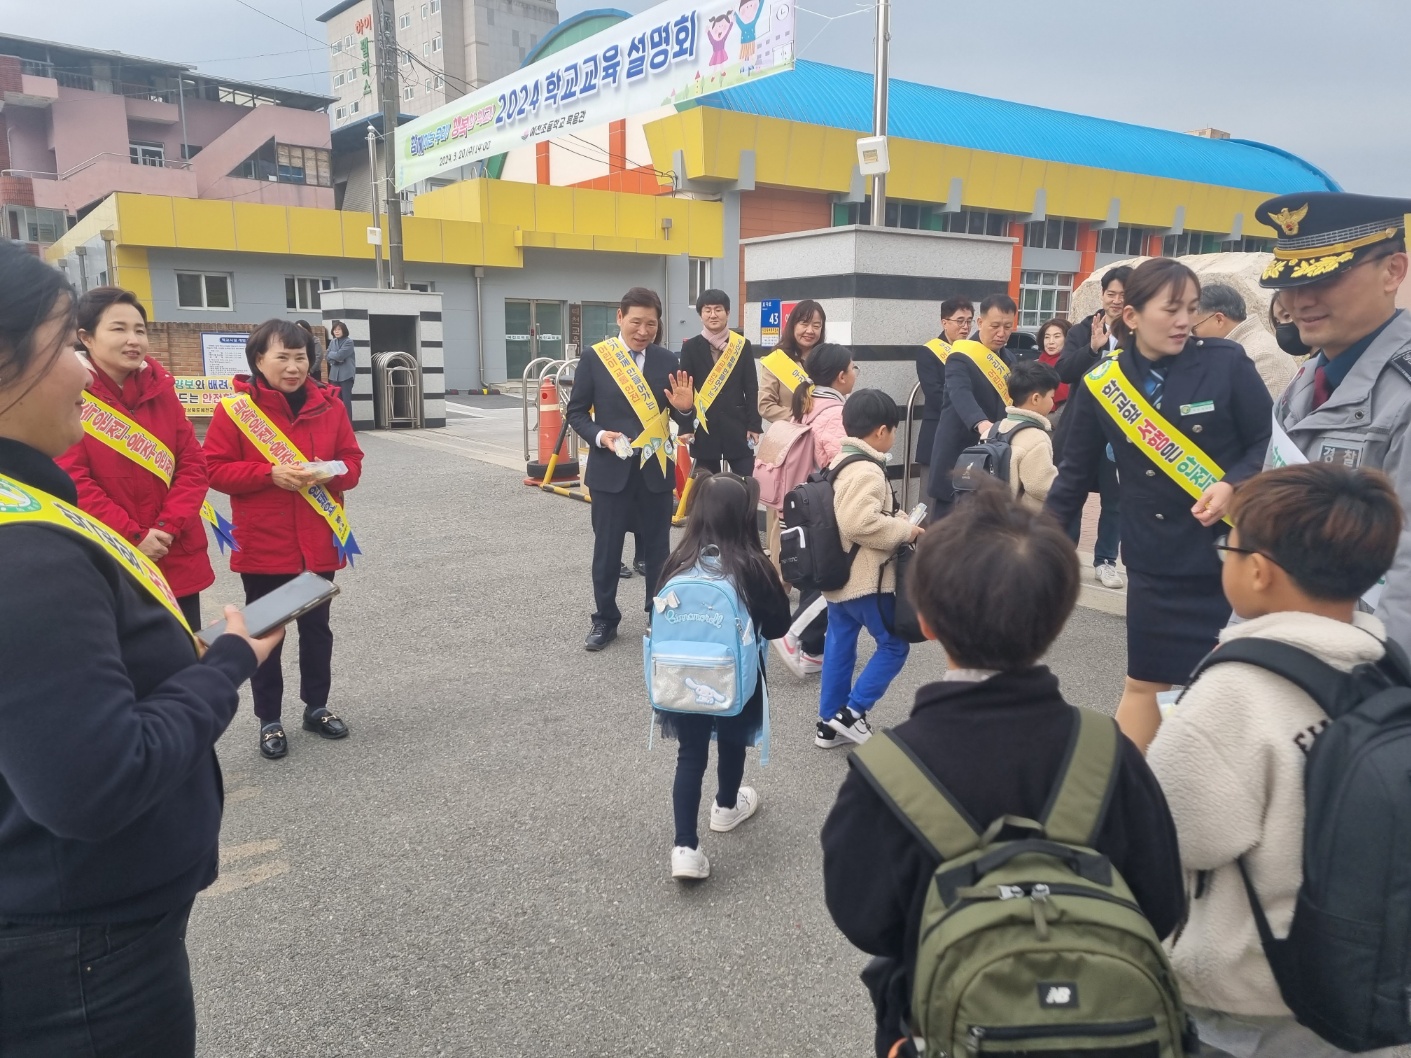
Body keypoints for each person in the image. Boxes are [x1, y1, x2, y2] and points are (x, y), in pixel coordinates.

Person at [0, 240, 281, 1056]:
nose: (86, 374)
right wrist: (226, 663)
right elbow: (95, 781)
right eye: (67, 345)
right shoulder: (27, 552)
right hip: (84, 952)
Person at [821, 483, 1185, 1058]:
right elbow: (1161, 903)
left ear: (928, 621)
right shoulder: (1110, 753)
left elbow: (860, 915)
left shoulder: (887, 770)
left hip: (942, 1021)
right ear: (1058, 621)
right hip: (1108, 1027)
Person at [1147, 463, 1400, 1058]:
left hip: (1249, 1002)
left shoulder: (1237, 690)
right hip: (1364, 985)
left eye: (1229, 548)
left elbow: (1174, 833)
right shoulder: (1386, 669)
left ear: (1258, 571)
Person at [1046, 258, 1273, 751]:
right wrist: (1039, 550)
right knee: (1144, 681)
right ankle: (1127, 785)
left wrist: (1234, 484)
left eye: (1191, 308)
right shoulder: (1103, 383)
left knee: (1221, 685)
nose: (1183, 321)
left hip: (1227, 557)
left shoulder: (1225, 362)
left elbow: (1266, 441)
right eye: (1171, 310)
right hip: (1153, 559)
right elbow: (1073, 478)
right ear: (1131, 316)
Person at [203, 319, 365, 760]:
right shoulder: (235, 411)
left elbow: (352, 462)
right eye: (283, 357)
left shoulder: (329, 406)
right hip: (264, 544)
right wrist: (268, 473)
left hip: (319, 540)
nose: (294, 367)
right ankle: (269, 719)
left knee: (317, 631)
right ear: (259, 360)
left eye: (301, 358)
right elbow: (214, 469)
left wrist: (329, 472)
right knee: (265, 634)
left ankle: (317, 706)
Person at [1258, 192, 1411, 652]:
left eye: (1324, 277)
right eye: (1289, 282)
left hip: (1364, 661)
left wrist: (1383, 679)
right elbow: (1265, 533)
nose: (1299, 300)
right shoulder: (1304, 382)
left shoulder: (1402, 394)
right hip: (1295, 646)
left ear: (1393, 271)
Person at [655, 473, 791, 881]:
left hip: (681, 677)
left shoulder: (677, 562)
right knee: (732, 740)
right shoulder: (752, 566)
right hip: (734, 676)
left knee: (690, 755)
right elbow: (780, 626)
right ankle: (726, 807)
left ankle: (684, 848)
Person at [56, 286, 215, 631]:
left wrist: (166, 528)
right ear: (86, 337)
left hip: (174, 551)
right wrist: (133, 536)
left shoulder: (162, 390)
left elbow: (193, 466)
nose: (133, 340)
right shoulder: (67, 394)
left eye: (140, 330)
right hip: (109, 554)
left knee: (186, 652)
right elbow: (72, 481)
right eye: (119, 329)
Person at [566, 287, 695, 652]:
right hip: (611, 471)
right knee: (607, 551)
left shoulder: (668, 360)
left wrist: (686, 409)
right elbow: (576, 412)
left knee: (658, 552)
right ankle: (605, 619)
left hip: (655, 470)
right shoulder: (596, 358)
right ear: (620, 317)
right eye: (636, 322)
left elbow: (685, 422)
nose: (643, 331)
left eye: (651, 324)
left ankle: (659, 615)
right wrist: (599, 435)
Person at [815, 389, 923, 749]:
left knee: (839, 646)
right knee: (894, 645)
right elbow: (858, 523)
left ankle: (828, 725)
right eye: (894, 430)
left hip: (838, 578)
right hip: (866, 580)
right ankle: (851, 714)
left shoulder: (840, 462)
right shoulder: (867, 470)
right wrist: (905, 531)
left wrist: (895, 518)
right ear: (881, 431)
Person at [772, 343, 859, 677]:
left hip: (801, 502)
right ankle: (794, 633)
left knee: (815, 573)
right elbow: (840, 462)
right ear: (840, 376)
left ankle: (813, 651)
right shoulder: (834, 411)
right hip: (823, 506)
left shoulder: (808, 402)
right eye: (853, 368)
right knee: (834, 575)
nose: (855, 373)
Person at [1056, 266, 1131, 588]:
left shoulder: (1139, 332)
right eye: (1111, 293)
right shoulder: (1083, 329)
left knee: (1115, 500)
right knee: (1072, 492)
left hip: (1120, 430)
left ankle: (1106, 561)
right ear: (1102, 295)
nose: (1116, 300)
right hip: (1081, 428)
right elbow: (1064, 372)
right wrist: (1092, 349)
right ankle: (1065, 558)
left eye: (1123, 295)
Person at [925, 293, 1017, 520]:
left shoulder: (1010, 360)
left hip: (993, 455)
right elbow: (960, 394)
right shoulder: (961, 355)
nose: (1001, 333)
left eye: (1007, 327)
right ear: (980, 322)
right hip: (959, 451)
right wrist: (981, 423)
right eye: (995, 326)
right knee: (946, 527)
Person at [679, 287, 760, 477]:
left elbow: (751, 387)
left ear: (728, 313)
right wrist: (686, 426)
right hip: (703, 428)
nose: (713, 315)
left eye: (718, 309)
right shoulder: (690, 347)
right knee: (706, 485)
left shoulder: (742, 345)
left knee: (746, 482)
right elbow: (684, 389)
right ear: (700, 315)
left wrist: (754, 425)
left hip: (737, 426)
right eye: (707, 310)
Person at [1191, 282, 1297, 396]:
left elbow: (1264, 407)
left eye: (1194, 329)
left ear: (1219, 320)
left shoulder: (1259, 355)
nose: (1193, 337)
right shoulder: (1242, 350)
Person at [913, 297, 974, 469]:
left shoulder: (973, 351)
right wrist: (968, 411)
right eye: (960, 321)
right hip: (939, 430)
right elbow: (934, 394)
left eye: (969, 321)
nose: (965, 327)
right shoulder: (929, 352)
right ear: (944, 322)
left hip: (968, 434)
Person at [995, 360, 1061, 511]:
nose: (1052, 402)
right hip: (1022, 520)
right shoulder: (1037, 438)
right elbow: (1043, 487)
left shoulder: (994, 429)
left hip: (992, 514)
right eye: (1051, 397)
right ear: (1036, 398)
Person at [1035, 316, 1071, 420]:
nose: (1051, 341)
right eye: (1047, 337)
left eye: (1057, 336)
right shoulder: (1035, 365)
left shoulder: (1072, 366)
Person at [325, 319, 356, 418]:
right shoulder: (332, 342)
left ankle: (348, 424)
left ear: (344, 330)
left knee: (346, 402)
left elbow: (340, 355)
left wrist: (334, 355)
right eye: (335, 330)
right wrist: (335, 359)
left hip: (346, 375)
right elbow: (326, 356)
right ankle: (338, 424)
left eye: (339, 329)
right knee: (335, 401)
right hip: (334, 376)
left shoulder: (349, 342)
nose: (336, 331)